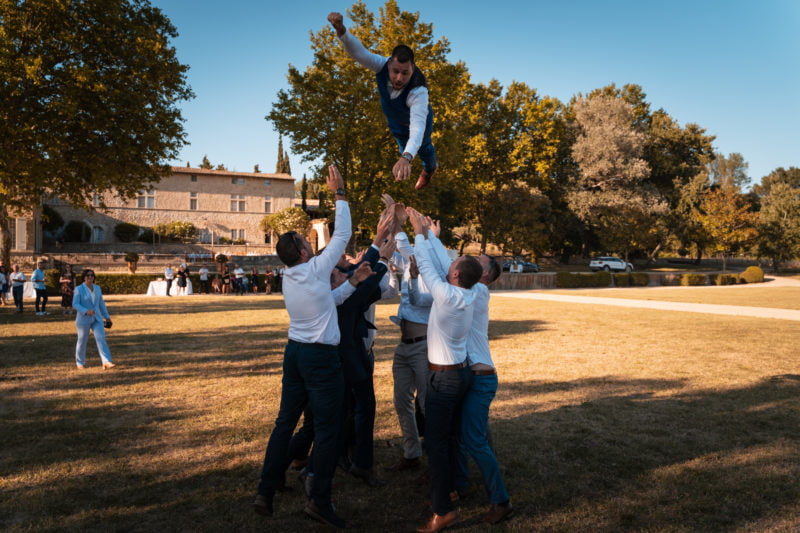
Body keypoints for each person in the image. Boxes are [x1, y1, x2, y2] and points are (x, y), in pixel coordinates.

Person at [254, 165, 355, 529]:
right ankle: (319, 500)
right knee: (328, 429)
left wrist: (353, 283)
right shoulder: (313, 269)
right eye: (305, 239)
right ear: (300, 250)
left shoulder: (290, 276)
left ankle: (266, 489)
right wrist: (339, 193)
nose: (310, 241)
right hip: (319, 360)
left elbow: (329, 300)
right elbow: (342, 233)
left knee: (285, 423)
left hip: (294, 354)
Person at [406, 207, 483, 533]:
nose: (448, 265)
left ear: (454, 276)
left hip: (446, 378)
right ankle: (452, 487)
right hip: (460, 373)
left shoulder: (448, 297)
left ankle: (443, 510)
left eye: (451, 266)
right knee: (451, 436)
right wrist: (428, 234)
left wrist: (418, 233)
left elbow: (425, 265)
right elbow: (438, 264)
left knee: (436, 443)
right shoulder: (471, 291)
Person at [328, 12, 437, 190]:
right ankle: (405, 163)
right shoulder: (381, 64)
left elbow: (417, 128)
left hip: (418, 120)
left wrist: (407, 158)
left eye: (405, 73)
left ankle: (430, 169)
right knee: (402, 144)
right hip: (395, 120)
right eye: (395, 71)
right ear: (388, 65)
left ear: (413, 69)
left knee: (424, 148)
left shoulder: (419, 91)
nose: (399, 78)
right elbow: (359, 53)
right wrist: (341, 31)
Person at [72, 269, 115, 370]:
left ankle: (106, 361)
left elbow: (101, 303)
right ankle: (80, 363)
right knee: (82, 340)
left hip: (97, 318)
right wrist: (86, 311)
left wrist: (107, 317)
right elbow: (75, 304)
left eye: (92, 275)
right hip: (83, 319)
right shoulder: (79, 289)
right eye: (88, 275)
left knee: (101, 338)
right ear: (84, 277)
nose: (90, 277)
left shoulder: (97, 288)